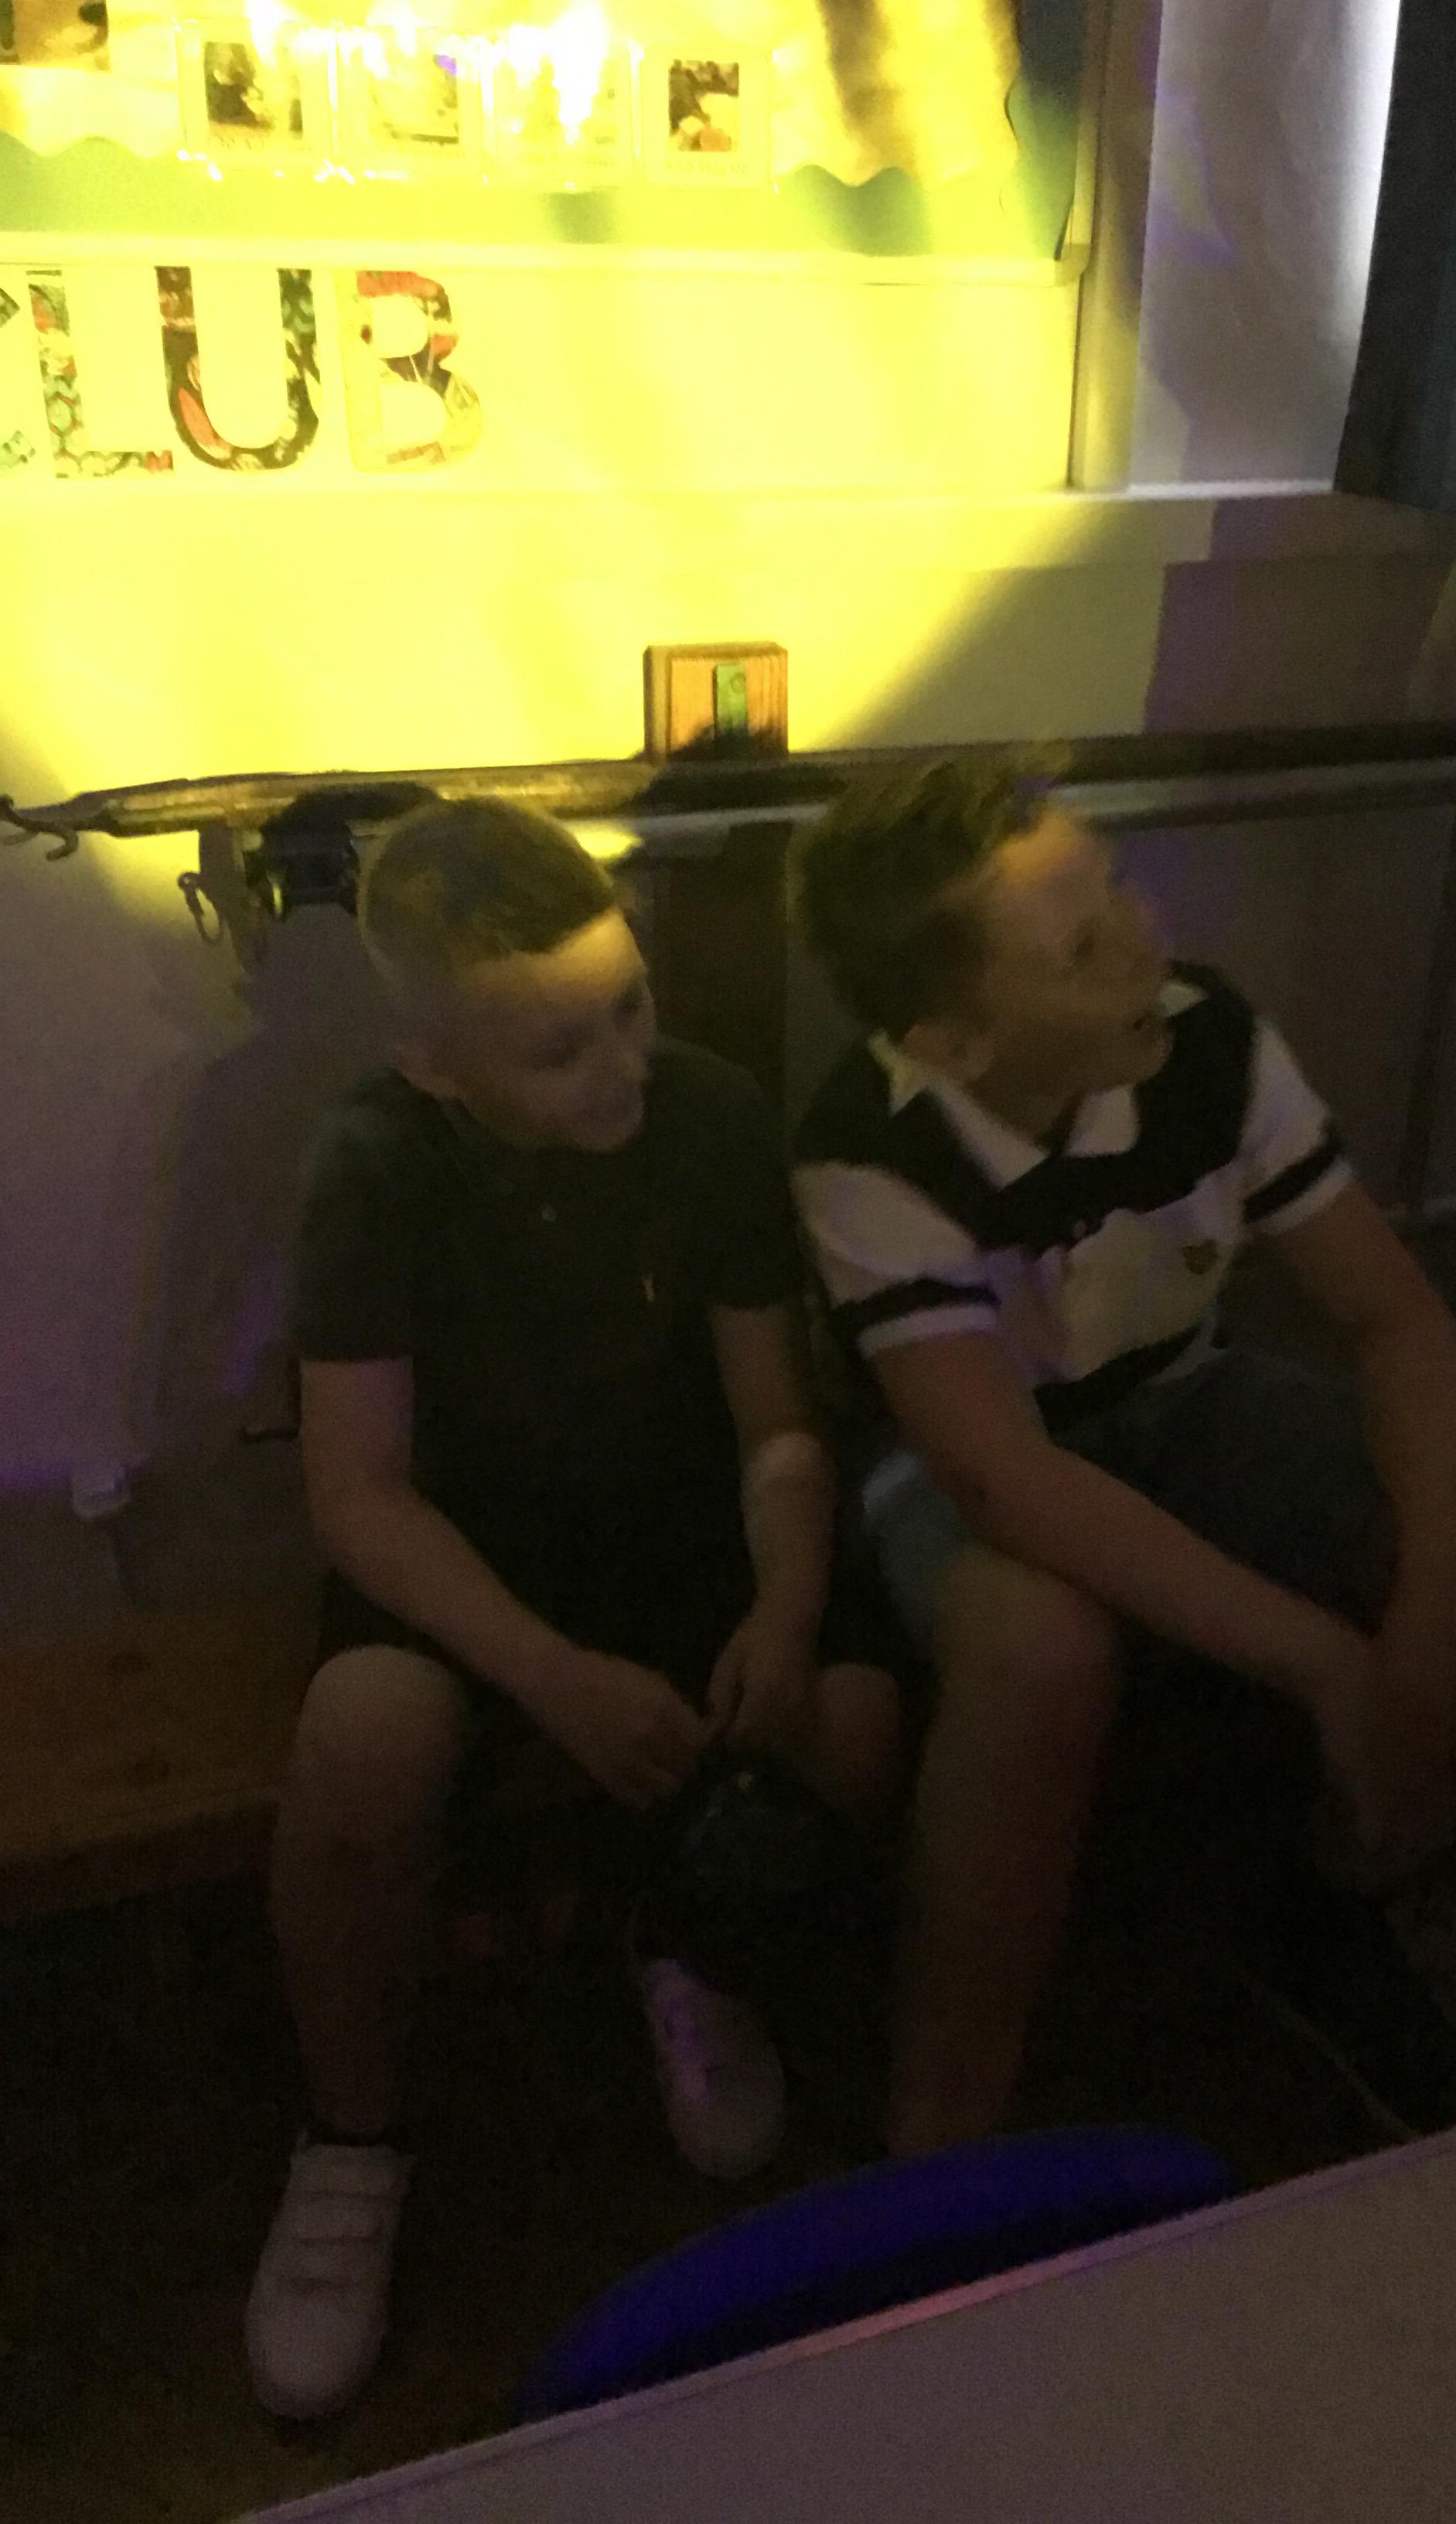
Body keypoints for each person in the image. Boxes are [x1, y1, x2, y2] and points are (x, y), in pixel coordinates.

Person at [789, 752, 1456, 2157]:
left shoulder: (1204, 1038)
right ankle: (947, 2110)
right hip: (962, 1454)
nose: (1143, 940)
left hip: (1183, 1393)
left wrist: (1440, 1589)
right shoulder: (872, 1147)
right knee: (1037, 1649)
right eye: (1082, 946)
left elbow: (1396, 1319)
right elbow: (1002, 1476)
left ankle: (1347, 1892)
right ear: (957, 1044)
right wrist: (1329, 1660)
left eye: (1117, 886)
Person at [247, 799, 902, 2422]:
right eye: (559, 1050)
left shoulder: (710, 1114)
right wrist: (552, 1678)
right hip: (468, 1559)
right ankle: (351, 2135)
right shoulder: (374, 1159)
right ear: (435, 1066)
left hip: (670, 1526)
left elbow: (775, 1428)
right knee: (365, 1736)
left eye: (630, 1005)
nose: (622, 1067)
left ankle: (684, 1936)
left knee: (854, 1716)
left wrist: (786, 1604)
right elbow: (361, 1496)